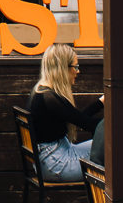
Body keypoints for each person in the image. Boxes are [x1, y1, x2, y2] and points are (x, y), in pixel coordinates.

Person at [26, 43, 103, 182]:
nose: (78, 71)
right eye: (76, 67)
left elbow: (78, 118)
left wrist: (101, 103)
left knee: (105, 146)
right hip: (55, 164)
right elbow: (88, 124)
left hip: (53, 156)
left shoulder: (42, 91)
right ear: (63, 68)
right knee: (112, 154)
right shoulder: (49, 99)